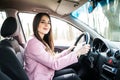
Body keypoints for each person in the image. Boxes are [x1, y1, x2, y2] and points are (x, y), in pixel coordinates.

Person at [24, 12, 90, 80]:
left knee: (71, 71)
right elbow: (55, 64)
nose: (47, 25)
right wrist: (77, 53)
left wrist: (68, 50)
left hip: (47, 74)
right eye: (43, 22)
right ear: (36, 24)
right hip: (39, 77)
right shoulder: (33, 43)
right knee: (73, 77)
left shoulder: (40, 41)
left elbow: (53, 59)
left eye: (49, 22)